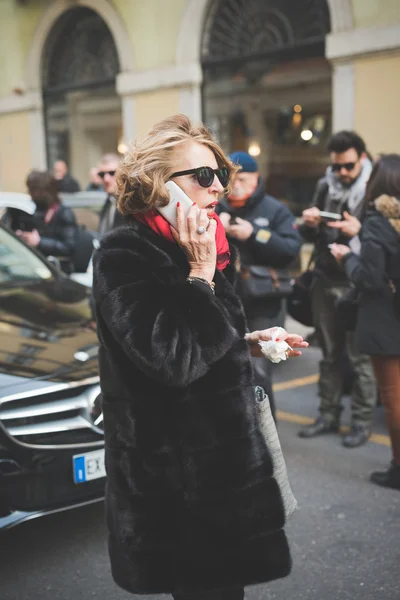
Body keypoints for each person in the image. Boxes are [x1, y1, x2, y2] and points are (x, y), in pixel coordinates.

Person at [92, 114, 308, 599]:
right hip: (177, 486)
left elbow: (200, 335)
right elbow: (174, 360)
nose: (218, 189)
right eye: (204, 177)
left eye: (221, 176)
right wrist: (199, 272)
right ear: (157, 186)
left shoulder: (202, 244)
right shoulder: (124, 254)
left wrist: (248, 339)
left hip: (223, 471)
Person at [298, 131, 377, 448]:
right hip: (325, 278)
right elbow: (306, 234)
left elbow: (386, 239)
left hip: (356, 283)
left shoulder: (376, 188)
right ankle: (327, 415)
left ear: (362, 157)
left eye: (348, 166)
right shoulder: (324, 184)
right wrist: (310, 222)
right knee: (329, 354)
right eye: (337, 166)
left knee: (360, 359)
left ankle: (361, 422)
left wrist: (359, 231)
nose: (342, 173)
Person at [330, 154, 400, 490]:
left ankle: (399, 468)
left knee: (393, 400)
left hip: (385, 322)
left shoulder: (377, 222)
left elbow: (369, 279)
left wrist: (348, 259)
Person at [216, 151, 301, 419]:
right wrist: (218, 228)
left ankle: (266, 430)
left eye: (243, 177)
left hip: (264, 302)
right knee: (226, 367)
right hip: (226, 303)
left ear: (256, 178)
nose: (236, 183)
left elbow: (291, 249)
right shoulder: (216, 207)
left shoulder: (274, 209)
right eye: (231, 177)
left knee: (260, 370)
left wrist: (255, 235)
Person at [12, 170, 78, 273]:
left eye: (33, 190)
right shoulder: (35, 210)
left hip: (59, 270)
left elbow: (69, 247)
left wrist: (39, 242)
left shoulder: (63, 213)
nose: (30, 194)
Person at [97, 153, 125, 235]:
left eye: (112, 173)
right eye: (102, 174)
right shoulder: (109, 201)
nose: (106, 179)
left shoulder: (129, 205)